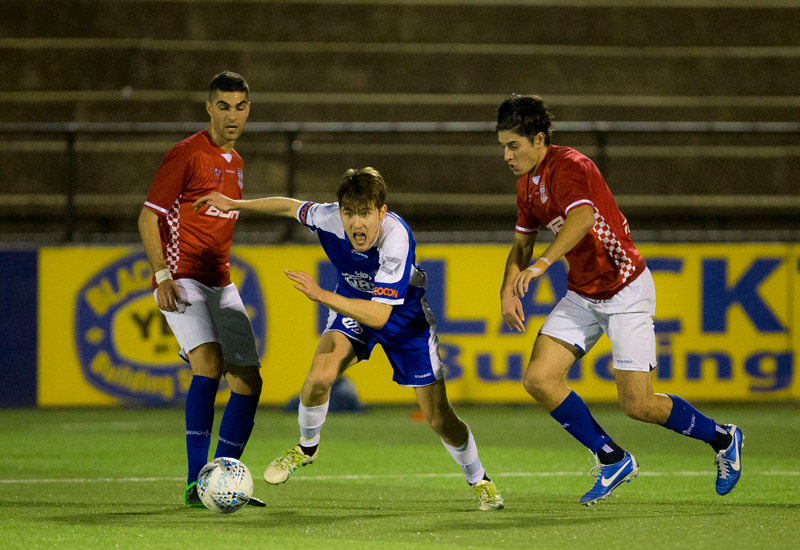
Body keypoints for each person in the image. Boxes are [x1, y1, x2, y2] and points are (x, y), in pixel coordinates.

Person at [192, 167, 505, 511]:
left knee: (440, 419)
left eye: (366, 213)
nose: (357, 224)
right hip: (354, 309)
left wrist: (320, 294)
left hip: (405, 322)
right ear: (339, 211)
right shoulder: (327, 218)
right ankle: (306, 448)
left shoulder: (396, 237)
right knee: (318, 378)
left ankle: (480, 480)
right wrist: (233, 203)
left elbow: (381, 316)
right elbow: (287, 206)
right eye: (349, 213)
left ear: (381, 212)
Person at [496, 94, 743, 506]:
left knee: (638, 404)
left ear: (539, 140)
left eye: (513, 145)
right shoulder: (527, 185)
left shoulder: (571, 166)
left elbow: (583, 218)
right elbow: (520, 244)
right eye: (502, 146)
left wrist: (541, 266)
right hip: (584, 293)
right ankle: (612, 458)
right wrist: (507, 291)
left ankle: (723, 437)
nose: (506, 155)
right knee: (539, 379)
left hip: (625, 289)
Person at [137, 71, 265, 508]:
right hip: (181, 277)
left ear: (249, 110)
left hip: (220, 281)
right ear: (208, 107)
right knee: (208, 364)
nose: (233, 115)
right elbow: (147, 217)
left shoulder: (238, 164)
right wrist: (161, 276)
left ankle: (222, 479)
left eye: (241, 106)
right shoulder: (187, 154)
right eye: (224, 106)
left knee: (249, 379)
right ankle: (196, 483)